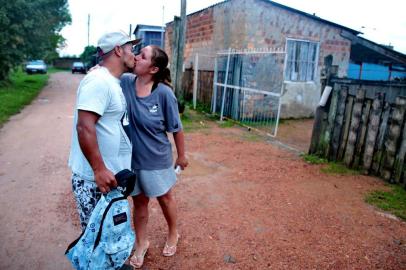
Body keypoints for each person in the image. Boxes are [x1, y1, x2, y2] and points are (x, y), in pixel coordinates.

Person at [120, 45, 188, 268]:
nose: (137, 57)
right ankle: (142, 242)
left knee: (164, 198)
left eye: (143, 56)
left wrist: (182, 156)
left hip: (156, 158)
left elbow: (176, 128)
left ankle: (173, 233)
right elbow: (106, 75)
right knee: (139, 202)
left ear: (153, 68)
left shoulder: (164, 93)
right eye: (138, 54)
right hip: (132, 160)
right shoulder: (126, 82)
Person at [68, 30, 140, 230]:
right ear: (118, 50)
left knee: (109, 236)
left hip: (112, 179)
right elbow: (84, 126)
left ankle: (112, 263)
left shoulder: (110, 81)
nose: (134, 54)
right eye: (131, 48)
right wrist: (99, 169)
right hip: (96, 181)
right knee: (96, 241)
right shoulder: (98, 81)